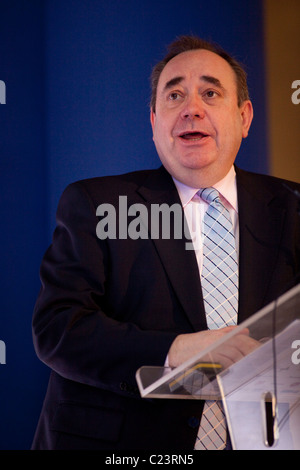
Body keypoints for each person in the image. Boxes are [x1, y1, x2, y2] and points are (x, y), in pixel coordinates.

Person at [31, 35, 300, 450]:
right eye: (174, 95)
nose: (192, 107)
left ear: (244, 118)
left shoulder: (293, 208)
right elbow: (58, 330)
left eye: (211, 92)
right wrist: (177, 349)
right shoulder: (99, 204)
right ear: (154, 121)